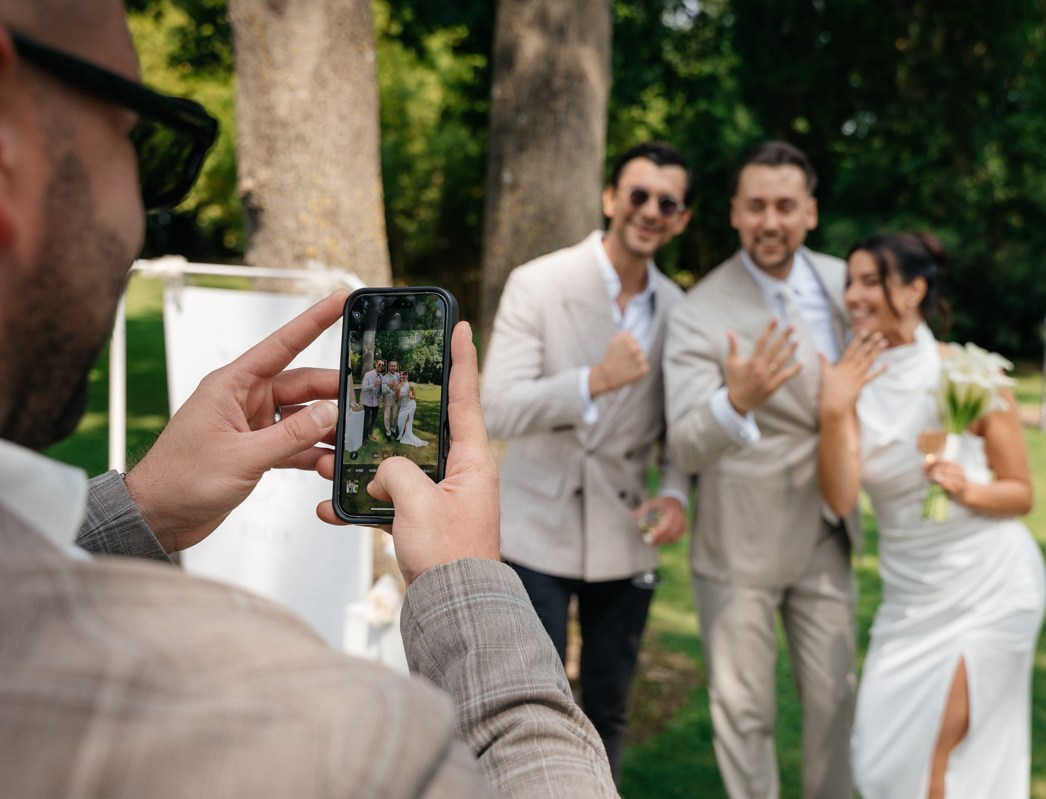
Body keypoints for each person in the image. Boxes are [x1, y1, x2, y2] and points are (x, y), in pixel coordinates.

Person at [0, 4, 618, 796]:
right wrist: (466, 582)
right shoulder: (330, 741)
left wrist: (141, 508)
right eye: (143, 142)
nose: (143, 222)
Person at [481, 141, 693, 779]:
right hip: (533, 533)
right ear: (610, 199)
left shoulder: (680, 310)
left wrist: (675, 491)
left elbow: (677, 428)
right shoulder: (539, 282)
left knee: (609, 712)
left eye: (667, 203)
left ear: (681, 219)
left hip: (625, 536)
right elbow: (497, 408)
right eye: (638, 195)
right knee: (529, 711)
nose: (650, 210)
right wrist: (594, 380)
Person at [817, 232, 1046, 799]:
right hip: (909, 601)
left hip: (990, 589)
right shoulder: (851, 380)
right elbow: (841, 500)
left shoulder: (969, 374)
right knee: (879, 767)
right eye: (850, 282)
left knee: (933, 761)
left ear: (914, 290)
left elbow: (1020, 493)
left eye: (871, 281)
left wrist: (967, 489)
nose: (854, 296)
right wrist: (834, 410)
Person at [664, 141, 859, 798]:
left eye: (784, 205)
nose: (770, 221)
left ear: (810, 212)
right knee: (745, 713)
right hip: (740, 543)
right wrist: (736, 401)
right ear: (734, 213)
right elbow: (686, 444)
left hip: (829, 529)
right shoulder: (700, 309)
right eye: (756, 206)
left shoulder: (844, 282)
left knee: (836, 700)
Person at [395, 369, 426, 447]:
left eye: (404, 375)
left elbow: (414, 397)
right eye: (401, 375)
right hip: (403, 406)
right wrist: (398, 389)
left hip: (410, 405)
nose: (402, 376)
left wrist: (411, 396)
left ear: (407, 376)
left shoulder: (411, 384)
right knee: (400, 422)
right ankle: (404, 435)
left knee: (407, 421)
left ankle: (404, 436)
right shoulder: (398, 385)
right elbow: (398, 398)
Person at [361, 358, 385, 441]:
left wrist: (381, 398)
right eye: (379, 364)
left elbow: (381, 390)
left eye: (382, 365)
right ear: (376, 365)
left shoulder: (382, 377)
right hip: (367, 401)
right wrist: (373, 385)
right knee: (366, 420)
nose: (380, 366)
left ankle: (371, 432)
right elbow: (363, 388)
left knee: (374, 419)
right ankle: (365, 437)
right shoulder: (368, 374)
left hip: (376, 402)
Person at [381, 359, 401, 439]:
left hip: (395, 399)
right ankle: (388, 432)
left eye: (394, 366)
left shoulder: (398, 375)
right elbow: (383, 391)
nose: (393, 367)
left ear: (396, 367)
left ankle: (393, 429)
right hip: (387, 400)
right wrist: (390, 387)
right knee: (387, 417)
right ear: (389, 367)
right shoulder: (385, 377)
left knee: (394, 416)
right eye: (392, 366)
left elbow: (401, 385)